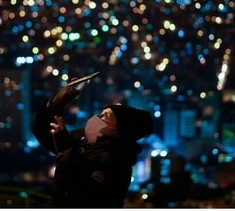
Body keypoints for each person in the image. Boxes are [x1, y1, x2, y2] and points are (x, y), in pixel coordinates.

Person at [32, 75, 153, 208]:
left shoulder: (117, 162)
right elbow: (42, 131)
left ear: (115, 131)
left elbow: (86, 196)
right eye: (101, 112)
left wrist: (65, 150)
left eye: (105, 116)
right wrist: (61, 99)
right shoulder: (82, 139)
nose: (97, 117)